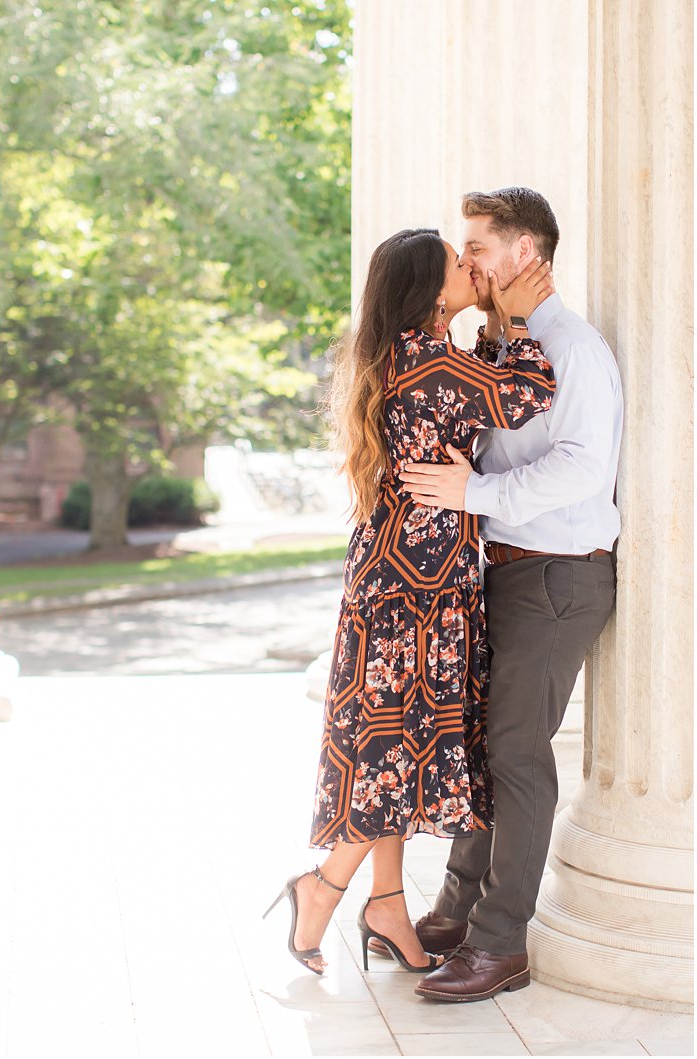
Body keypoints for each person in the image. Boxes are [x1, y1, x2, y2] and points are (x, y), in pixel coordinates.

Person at [266, 226, 557, 978]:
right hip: (413, 596)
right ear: (433, 293)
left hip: (403, 584)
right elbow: (528, 395)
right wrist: (518, 317)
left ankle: (387, 901)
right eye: (459, 264)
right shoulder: (428, 362)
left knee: (388, 747)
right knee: (389, 757)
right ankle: (324, 888)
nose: (471, 267)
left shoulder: (414, 356)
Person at [398, 188, 621, 1002]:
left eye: (479, 248)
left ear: (526, 254)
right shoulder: (507, 346)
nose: (468, 264)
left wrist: (471, 493)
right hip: (506, 570)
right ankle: (458, 913)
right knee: (485, 755)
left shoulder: (576, 349)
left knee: (517, 758)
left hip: (557, 576)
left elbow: (582, 468)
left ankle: (501, 945)